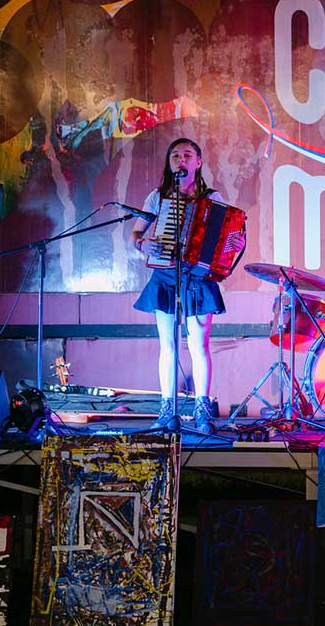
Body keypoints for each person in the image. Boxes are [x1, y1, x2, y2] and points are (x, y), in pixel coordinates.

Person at [130, 137, 237, 433]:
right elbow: (136, 234)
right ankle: (167, 410)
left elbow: (227, 238)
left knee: (198, 346)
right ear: (169, 162)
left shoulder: (213, 199)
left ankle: (202, 411)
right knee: (168, 345)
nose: (181, 159)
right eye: (175, 155)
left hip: (197, 278)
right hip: (165, 275)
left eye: (187, 154)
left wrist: (233, 241)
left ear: (198, 162)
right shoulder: (157, 197)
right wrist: (144, 245)